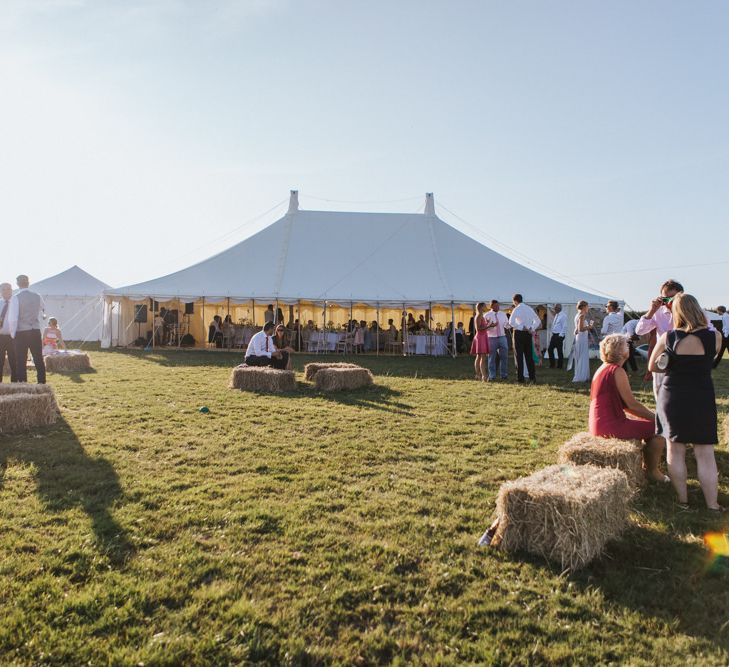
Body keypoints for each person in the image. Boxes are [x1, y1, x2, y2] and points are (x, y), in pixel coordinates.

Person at [649, 294, 724, 511]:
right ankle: (712, 504)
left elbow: (653, 367)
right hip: (700, 394)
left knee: (675, 449)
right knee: (705, 453)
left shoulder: (668, 337)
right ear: (698, 310)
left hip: (673, 395)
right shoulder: (715, 337)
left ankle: (682, 501)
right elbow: (712, 356)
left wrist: (672, 363)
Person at [590, 334, 667, 482]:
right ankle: (652, 472)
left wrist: (651, 417)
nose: (629, 347)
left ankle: (647, 466)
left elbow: (626, 406)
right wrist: (658, 419)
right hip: (611, 427)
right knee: (659, 431)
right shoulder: (617, 371)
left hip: (600, 424)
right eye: (627, 345)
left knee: (650, 424)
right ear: (622, 352)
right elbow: (632, 405)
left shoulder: (603, 368)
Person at [8, 274, 46, 384]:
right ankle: (42, 383)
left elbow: (13, 319)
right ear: (28, 283)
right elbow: (42, 309)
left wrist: (12, 334)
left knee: (21, 360)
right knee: (38, 359)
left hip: (21, 332)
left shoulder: (16, 297)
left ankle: (22, 384)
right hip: (35, 330)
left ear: (18, 284)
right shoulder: (37, 296)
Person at [508, 294, 541, 383]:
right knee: (529, 357)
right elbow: (538, 321)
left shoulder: (517, 309)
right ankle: (532, 378)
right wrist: (532, 328)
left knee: (519, 356)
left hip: (519, 333)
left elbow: (511, 322)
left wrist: (521, 327)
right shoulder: (529, 308)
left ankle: (520, 378)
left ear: (515, 301)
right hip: (528, 334)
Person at [485, 300, 509, 380]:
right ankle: (492, 376)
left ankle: (504, 375)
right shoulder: (487, 315)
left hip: (502, 337)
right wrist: (491, 326)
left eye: (498, 305)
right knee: (491, 357)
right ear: (491, 306)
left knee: (504, 357)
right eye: (495, 306)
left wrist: (509, 325)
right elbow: (484, 329)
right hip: (491, 337)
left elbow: (506, 324)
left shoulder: (503, 314)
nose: (497, 307)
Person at [569, 300, 592, 383]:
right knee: (582, 356)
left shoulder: (577, 315)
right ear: (583, 307)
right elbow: (581, 329)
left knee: (580, 356)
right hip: (581, 338)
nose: (588, 308)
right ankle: (581, 377)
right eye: (587, 306)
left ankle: (581, 375)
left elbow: (576, 328)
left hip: (580, 337)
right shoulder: (582, 315)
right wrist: (589, 327)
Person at [470, 302, 494, 381]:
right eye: (484, 306)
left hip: (482, 337)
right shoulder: (479, 316)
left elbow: (481, 326)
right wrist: (489, 326)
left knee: (479, 356)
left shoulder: (480, 316)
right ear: (481, 307)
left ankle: (478, 375)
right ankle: (483, 376)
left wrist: (487, 324)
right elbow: (478, 329)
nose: (486, 307)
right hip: (481, 337)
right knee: (482, 358)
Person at [0, 282, 18, 382]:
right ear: (0, 291)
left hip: (13, 337)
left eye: (8, 289)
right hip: (0, 336)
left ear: (12, 290)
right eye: (3, 289)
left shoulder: (17, 302)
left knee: (14, 361)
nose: (6, 291)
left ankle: (14, 383)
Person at [547, 303, 567, 369]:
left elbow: (564, 326)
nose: (554, 309)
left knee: (559, 351)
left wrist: (560, 336)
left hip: (559, 335)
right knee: (550, 349)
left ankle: (560, 366)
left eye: (555, 308)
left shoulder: (563, 315)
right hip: (554, 335)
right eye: (554, 308)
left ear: (559, 308)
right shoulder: (557, 315)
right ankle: (552, 364)